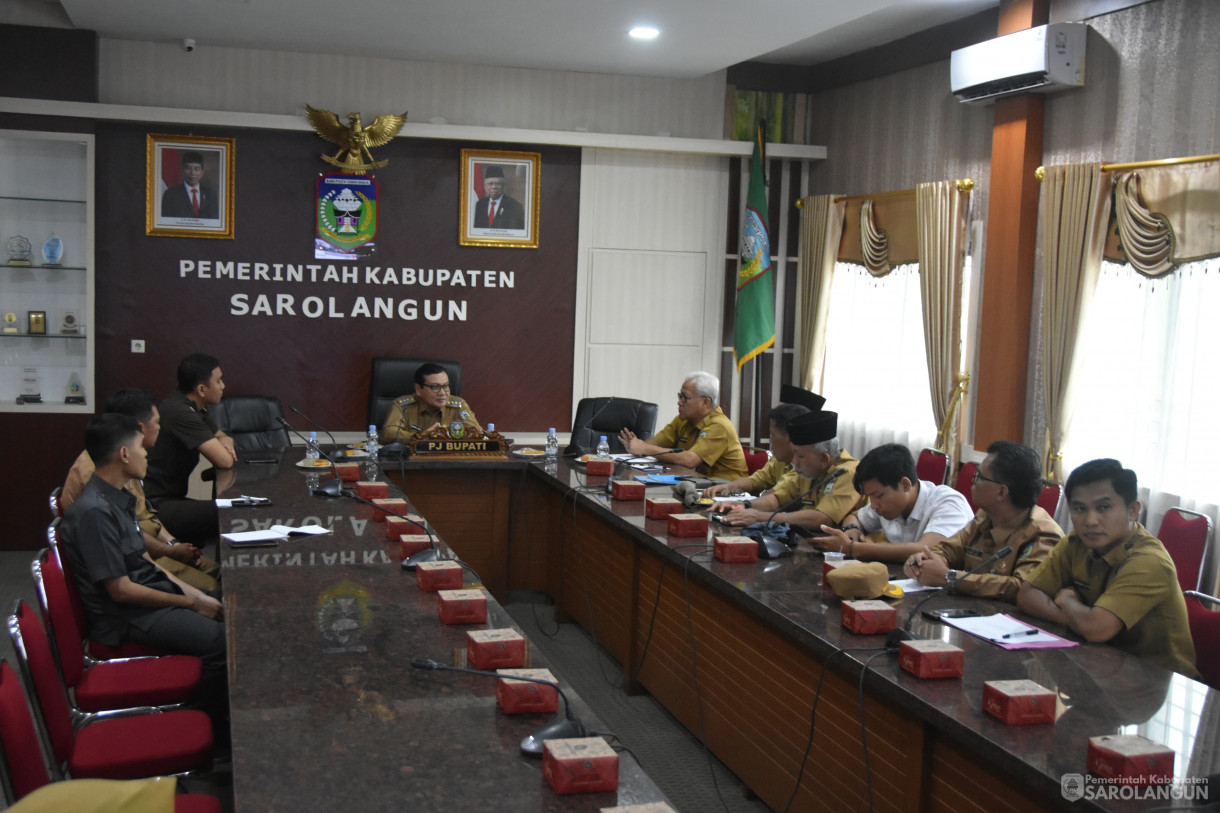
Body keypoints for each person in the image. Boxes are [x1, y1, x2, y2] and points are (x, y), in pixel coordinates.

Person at [59, 413, 228, 722]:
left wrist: (199, 598)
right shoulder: (95, 512)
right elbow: (121, 591)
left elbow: (145, 562)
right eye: (141, 447)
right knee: (222, 642)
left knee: (224, 602)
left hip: (147, 592)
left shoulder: (118, 497)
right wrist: (191, 602)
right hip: (127, 616)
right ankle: (207, 726)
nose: (147, 453)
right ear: (124, 454)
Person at [1017, 459, 1199, 679]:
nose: (1090, 520)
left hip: (1157, 682)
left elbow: (1096, 629)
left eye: (1103, 508)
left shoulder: (1149, 562)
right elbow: (1027, 595)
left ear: (1133, 510)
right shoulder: (1077, 542)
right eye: (1079, 509)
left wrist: (1066, 601)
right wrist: (1075, 620)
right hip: (1098, 666)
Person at [60, 388, 221, 592]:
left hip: (151, 550)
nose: (160, 428)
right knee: (217, 591)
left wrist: (173, 544)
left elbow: (147, 515)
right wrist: (173, 552)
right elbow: (127, 533)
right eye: (157, 423)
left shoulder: (131, 461)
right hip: (134, 564)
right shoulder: (101, 469)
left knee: (223, 574)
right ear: (139, 428)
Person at [903, 441, 1061, 601]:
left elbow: (1020, 588)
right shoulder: (985, 517)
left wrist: (950, 577)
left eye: (979, 477)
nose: (973, 482)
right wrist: (922, 561)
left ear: (1001, 492)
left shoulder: (1044, 535)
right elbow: (947, 550)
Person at [816, 442, 974, 563]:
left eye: (877, 495)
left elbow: (927, 550)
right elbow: (855, 517)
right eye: (870, 496)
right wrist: (852, 529)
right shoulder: (886, 503)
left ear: (905, 485)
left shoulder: (949, 502)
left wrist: (853, 548)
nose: (873, 504)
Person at [720, 409, 864, 531]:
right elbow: (777, 498)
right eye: (794, 453)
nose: (794, 462)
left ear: (824, 458)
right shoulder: (808, 469)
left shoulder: (849, 473)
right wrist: (744, 505)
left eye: (800, 456)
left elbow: (822, 519)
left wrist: (762, 517)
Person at [144, 353, 236, 543]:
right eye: (218, 381)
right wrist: (225, 445)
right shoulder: (181, 412)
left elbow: (221, 436)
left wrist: (226, 440)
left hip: (170, 500)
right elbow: (225, 461)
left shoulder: (191, 406)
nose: (223, 386)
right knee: (231, 511)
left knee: (230, 509)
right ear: (202, 389)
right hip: (154, 506)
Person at [619, 371, 747, 481]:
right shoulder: (682, 420)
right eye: (680, 396)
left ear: (705, 402)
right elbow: (654, 444)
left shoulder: (720, 426)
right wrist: (636, 446)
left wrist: (645, 449)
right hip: (696, 484)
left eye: (685, 397)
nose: (679, 402)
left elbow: (690, 460)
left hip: (727, 492)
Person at [381, 362, 482, 443]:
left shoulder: (459, 406)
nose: (442, 393)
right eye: (435, 387)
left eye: (445, 386)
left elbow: (478, 433)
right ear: (418, 389)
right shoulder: (404, 406)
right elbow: (388, 434)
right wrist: (421, 436)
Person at [160, 150, 218, 219]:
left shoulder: (210, 194)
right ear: (182, 170)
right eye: (188, 168)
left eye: (196, 169)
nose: (192, 173)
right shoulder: (170, 194)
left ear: (202, 172)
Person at [472, 165, 525, 230]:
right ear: (485, 186)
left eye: (497, 183)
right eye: (490, 184)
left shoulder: (515, 206)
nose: (494, 187)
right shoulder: (480, 204)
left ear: (503, 185)